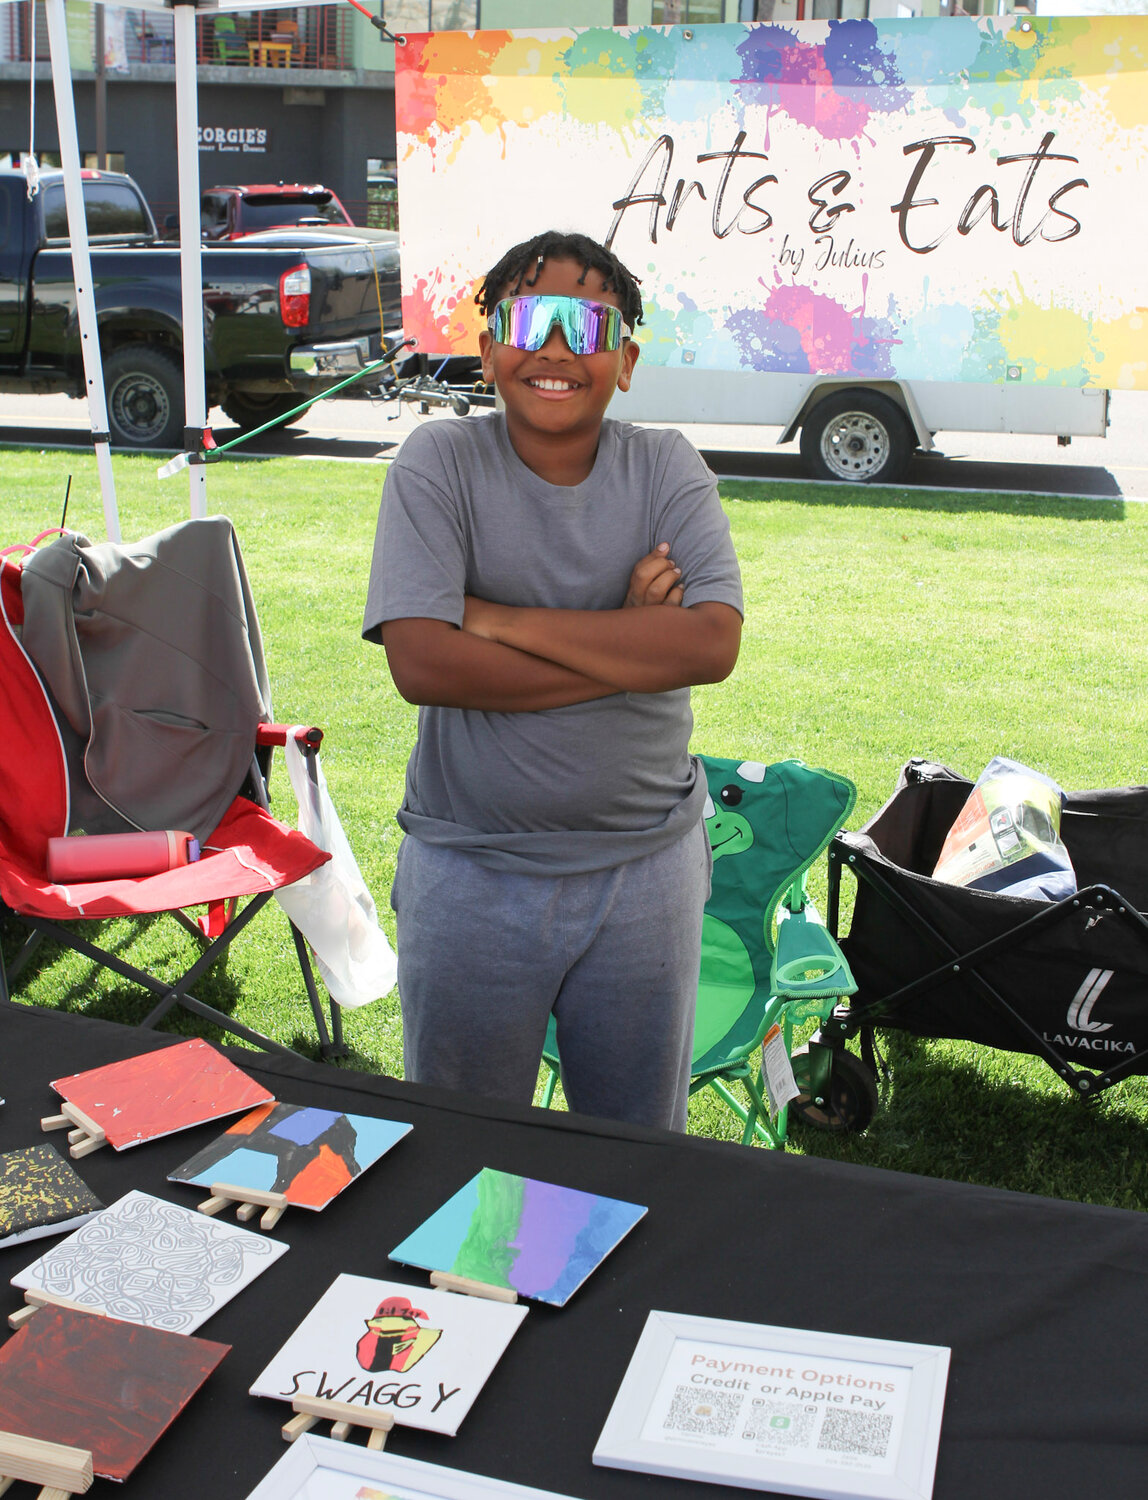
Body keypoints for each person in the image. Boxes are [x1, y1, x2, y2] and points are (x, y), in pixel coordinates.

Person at [362, 229, 743, 1131]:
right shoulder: (439, 463)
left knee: (635, 1153)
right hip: (473, 872)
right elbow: (422, 663)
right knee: (460, 1155)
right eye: (532, 319)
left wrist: (490, 617)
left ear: (628, 359)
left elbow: (712, 645)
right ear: (490, 344)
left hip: (645, 872)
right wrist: (630, 642)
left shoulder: (664, 466)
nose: (559, 349)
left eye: (590, 324)